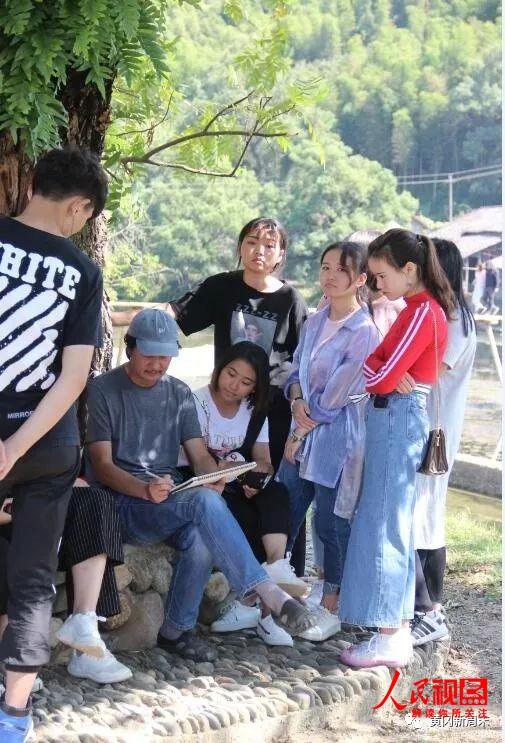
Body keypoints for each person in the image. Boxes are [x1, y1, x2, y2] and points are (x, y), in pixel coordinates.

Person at [85, 308, 314, 663]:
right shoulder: (103, 390)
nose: (157, 364)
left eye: (165, 356)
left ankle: (176, 631)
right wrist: (143, 489)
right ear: (130, 348)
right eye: (149, 354)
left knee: (202, 532)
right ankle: (267, 591)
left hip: (166, 497)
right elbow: (101, 464)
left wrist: (213, 477)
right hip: (123, 501)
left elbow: (199, 455)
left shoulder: (177, 393)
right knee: (202, 505)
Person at [0, 146, 106, 741]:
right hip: (47, 445)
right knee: (35, 579)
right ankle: (13, 716)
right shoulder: (82, 271)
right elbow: (73, 377)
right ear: (79, 207)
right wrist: (16, 446)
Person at [339, 228, 455, 669]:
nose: (375, 285)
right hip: (395, 416)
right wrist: (383, 371)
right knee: (388, 520)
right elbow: (376, 364)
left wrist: (384, 372)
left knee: (386, 522)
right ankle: (394, 628)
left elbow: (379, 375)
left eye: (381, 276)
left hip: (398, 418)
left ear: (409, 269)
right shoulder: (417, 310)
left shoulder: (422, 313)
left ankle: (389, 634)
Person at [169, 218, 309, 575]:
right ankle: (239, 574)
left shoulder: (291, 300)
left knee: (274, 486)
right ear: (240, 246)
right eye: (251, 242)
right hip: (227, 402)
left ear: (281, 254)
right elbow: (176, 315)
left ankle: (287, 571)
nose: (258, 251)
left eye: (269, 245)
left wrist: (299, 410)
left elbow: (304, 362)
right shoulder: (221, 287)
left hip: (273, 410)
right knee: (226, 483)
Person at [278, 241, 380, 642]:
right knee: (284, 509)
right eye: (325, 267)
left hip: (338, 440)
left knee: (331, 521)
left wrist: (298, 430)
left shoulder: (364, 331)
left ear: (360, 278)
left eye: (341, 269)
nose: (331, 275)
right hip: (302, 429)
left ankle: (332, 605)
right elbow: (295, 372)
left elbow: (336, 396)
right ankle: (269, 595)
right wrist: (295, 399)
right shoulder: (316, 321)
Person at [187, 341, 304, 646]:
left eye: (246, 382)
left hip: (237, 482)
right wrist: (225, 469)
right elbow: (197, 458)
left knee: (276, 492)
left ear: (255, 387)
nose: (234, 385)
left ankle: (276, 567)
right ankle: (260, 609)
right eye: (231, 374)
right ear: (219, 369)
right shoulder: (196, 402)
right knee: (247, 517)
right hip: (204, 484)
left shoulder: (255, 411)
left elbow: (264, 459)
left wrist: (256, 477)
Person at [0, 482, 132, 687]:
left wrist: (62, 478)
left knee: (94, 501)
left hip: (31, 497)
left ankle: (84, 629)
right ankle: (9, 653)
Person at [412, 239, 476, 646]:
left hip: (434, 434)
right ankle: (429, 607)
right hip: (434, 429)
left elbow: (431, 371)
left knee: (423, 514)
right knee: (427, 514)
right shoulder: (451, 314)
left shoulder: (454, 320)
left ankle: (430, 610)